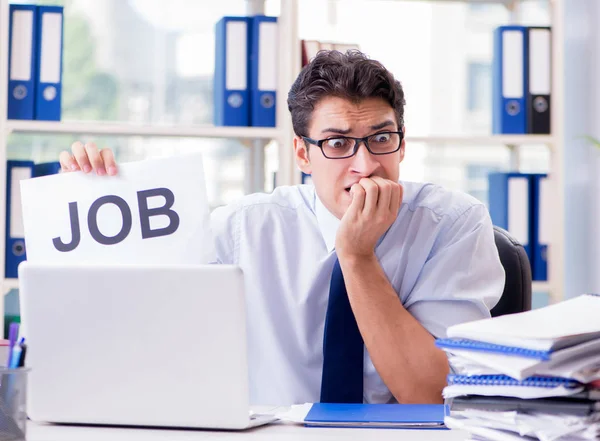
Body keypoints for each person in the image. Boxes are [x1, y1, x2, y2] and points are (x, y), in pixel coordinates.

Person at [59, 50, 504, 406]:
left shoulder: (454, 225)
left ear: (402, 145)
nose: (365, 165)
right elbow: (134, 321)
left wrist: (356, 256)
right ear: (302, 155)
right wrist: (87, 202)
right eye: (337, 143)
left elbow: (430, 395)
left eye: (381, 139)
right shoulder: (244, 230)